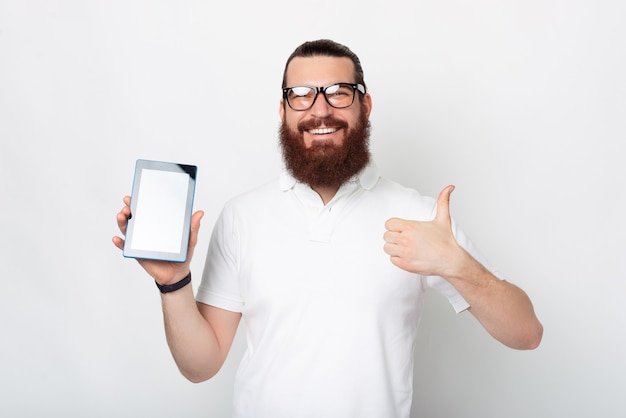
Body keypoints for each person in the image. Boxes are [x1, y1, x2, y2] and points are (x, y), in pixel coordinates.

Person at [113, 39, 543, 418]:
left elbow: (526, 333)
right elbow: (200, 365)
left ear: (365, 106)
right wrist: (174, 283)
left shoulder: (419, 214)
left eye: (339, 93)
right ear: (283, 110)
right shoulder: (242, 215)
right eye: (300, 95)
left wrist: (458, 265)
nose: (319, 110)